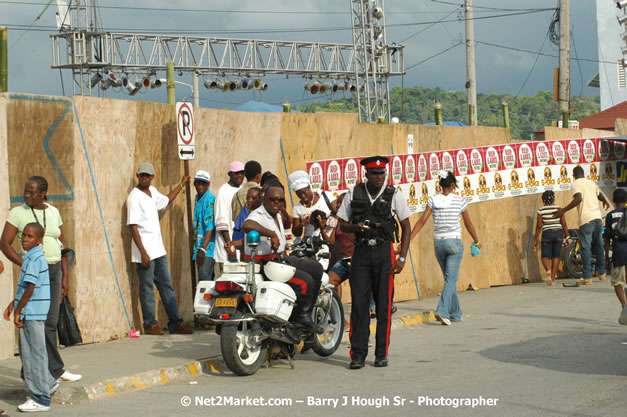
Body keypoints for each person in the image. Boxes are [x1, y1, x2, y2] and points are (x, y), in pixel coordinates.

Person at [0, 176, 81, 383]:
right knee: (32, 320)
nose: (27, 195)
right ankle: (40, 371)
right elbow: (5, 243)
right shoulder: (18, 213)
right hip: (35, 271)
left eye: (32, 192)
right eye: (25, 191)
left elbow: (62, 244)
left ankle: (51, 369)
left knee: (50, 322)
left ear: (43, 193)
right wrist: (25, 264)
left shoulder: (53, 212)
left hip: (54, 270)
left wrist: (65, 275)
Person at [337, 156, 411, 369]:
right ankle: (358, 354)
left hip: (383, 252)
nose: (379, 177)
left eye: (382, 173)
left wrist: (402, 257)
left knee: (383, 305)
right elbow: (342, 225)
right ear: (366, 174)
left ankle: (381, 354)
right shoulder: (354, 193)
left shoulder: (394, 194)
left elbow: (406, 226)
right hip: (360, 252)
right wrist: (357, 227)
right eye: (374, 173)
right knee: (359, 306)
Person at [243, 184, 323, 333]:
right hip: (267, 263)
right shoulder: (258, 214)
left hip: (281, 258)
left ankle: (305, 314)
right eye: (272, 199)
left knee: (316, 268)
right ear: (264, 198)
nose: (276, 202)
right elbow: (247, 225)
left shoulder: (277, 214)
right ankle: (299, 320)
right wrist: (271, 234)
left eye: (280, 200)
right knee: (306, 282)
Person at [126, 162, 193, 335]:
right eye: (141, 175)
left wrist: (181, 184)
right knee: (147, 287)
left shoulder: (152, 192)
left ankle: (175, 322)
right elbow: (133, 226)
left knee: (166, 286)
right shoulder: (134, 197)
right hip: (145, 252)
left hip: (158, 249)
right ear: (138, 176)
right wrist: (142, 252)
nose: (144, 178)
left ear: (152, 177)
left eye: (147, 175)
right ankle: (150, 324)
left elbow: (166, 200)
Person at [410, 170, 480, 327]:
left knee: (449, 279)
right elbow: (468, 224)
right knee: (451, 279)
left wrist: (408, 239)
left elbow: (422, 221)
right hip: (454, 243)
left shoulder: (433, 200)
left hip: (439, 244)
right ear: (453, 185)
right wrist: (476, 240)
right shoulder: (459, 200)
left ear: (440, 185)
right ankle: (442, 310)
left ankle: (455, 313)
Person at [3, 223, 56, 412]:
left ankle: (41, 398)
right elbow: (24, 288)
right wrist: (13, 304)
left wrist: (19, 311)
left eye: (29, 236)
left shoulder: (34, 259)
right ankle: (48, 382)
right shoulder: (30, 257)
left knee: (32, 355)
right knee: (34, 353)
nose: (24, 239)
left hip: (31, 313)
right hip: (31, 310)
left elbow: (31, 288)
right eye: (23, 235)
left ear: (39, 240)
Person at [554, 166, 610, 285]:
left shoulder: (576, 184)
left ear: (574, 175)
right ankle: (602, 273)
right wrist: (605, 201)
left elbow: (578, 198)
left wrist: (563, 210)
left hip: (586, 220)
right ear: (583, 174)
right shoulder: (591, 183)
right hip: (597, 218)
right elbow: (599, 195)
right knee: (599, 245)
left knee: (585, 248)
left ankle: (587, 276)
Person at [214, 161, 245, 277]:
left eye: (242, 173)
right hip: (228, 248)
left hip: (240, 247)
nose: (240, 176)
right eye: (236, 173)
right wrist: (230, 246)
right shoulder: (223, 192)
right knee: (228, 281)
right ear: (230, 174)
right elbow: (221, 222)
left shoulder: (242, 191)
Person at [533, 190, 569, 286]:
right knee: (556, 256)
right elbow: (564, 224)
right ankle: (552, 279)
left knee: (545, 255)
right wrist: (567, 236)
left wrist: (535, 239)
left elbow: (539, 226)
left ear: (543, 200)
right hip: (558, 234)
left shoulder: (541, 210)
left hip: (547, 234)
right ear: (553, 199)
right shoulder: (559, 208)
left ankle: (548, 270)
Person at [288, 170, 337, 238]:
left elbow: (340, 215)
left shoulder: (326, 196)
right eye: (299, 194)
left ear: (309, 187)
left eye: (304, 192)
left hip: (330, 240)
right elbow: (297, 234)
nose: (302, 196)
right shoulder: (297, 208)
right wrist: (301, 224)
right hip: (311, 244)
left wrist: (326, 225)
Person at [603, 189, 627, 311]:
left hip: (619, 253)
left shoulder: (610, 216)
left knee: (618, 283)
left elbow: (606, 240)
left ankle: (624, 305)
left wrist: (606, 257)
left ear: (613, 201)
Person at [192, 170, 215, 282]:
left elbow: (210, 226)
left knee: (204, 280)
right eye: (199, 183)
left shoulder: (209, 199)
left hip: (207, 248)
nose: (201, 186)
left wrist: (203, 249)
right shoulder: (197, 198)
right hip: (199, 246)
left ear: (208, 185)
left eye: (204, 184)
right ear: (194, 183)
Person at [232, 187, 262, 255]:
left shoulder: (262, 216)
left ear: (261, 199)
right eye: (248, 198)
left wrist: (233, 243)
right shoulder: (245, 213)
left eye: (254, 198)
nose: (250, 200)